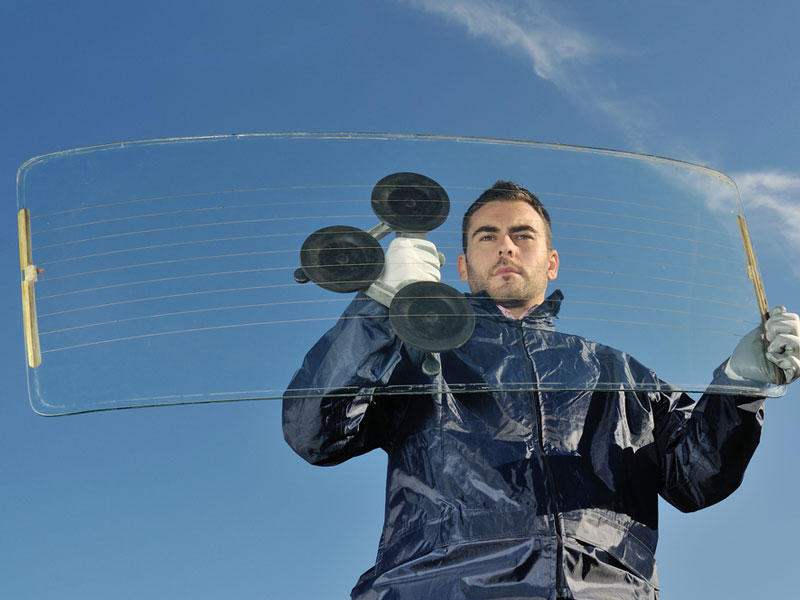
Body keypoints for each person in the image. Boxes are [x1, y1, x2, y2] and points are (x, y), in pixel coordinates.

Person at [283, 181, 800, 600]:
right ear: (462, 267)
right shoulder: (421, 360)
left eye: (523, 234)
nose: (506, 245)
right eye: (486, 236)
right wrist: (379, 308)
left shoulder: (615, 370)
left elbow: (696, 479)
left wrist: (738, 381)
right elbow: (315, 433)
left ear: (551, 262)